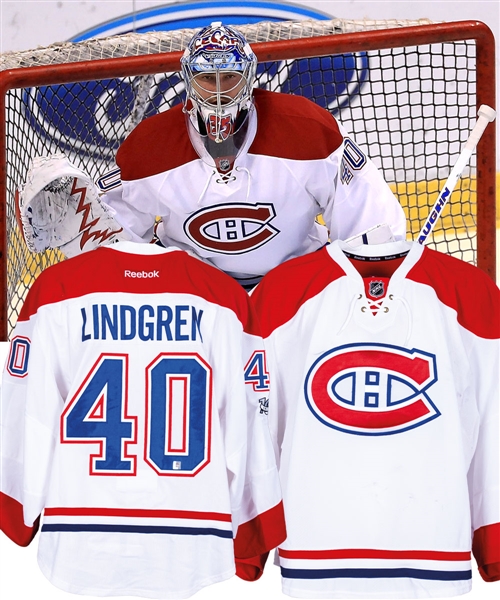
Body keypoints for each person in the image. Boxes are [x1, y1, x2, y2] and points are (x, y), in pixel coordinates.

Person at [18, 21, 407, 289]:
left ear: (249, 77)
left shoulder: (306, 131)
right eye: (207, 78)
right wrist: (90, 242)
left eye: (229, 77)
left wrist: (375, 271)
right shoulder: (150, 147)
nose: (219, 91)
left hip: (296, 287)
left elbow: (366, 215)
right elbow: (119, 237)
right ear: (188, 79)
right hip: (196, 296)